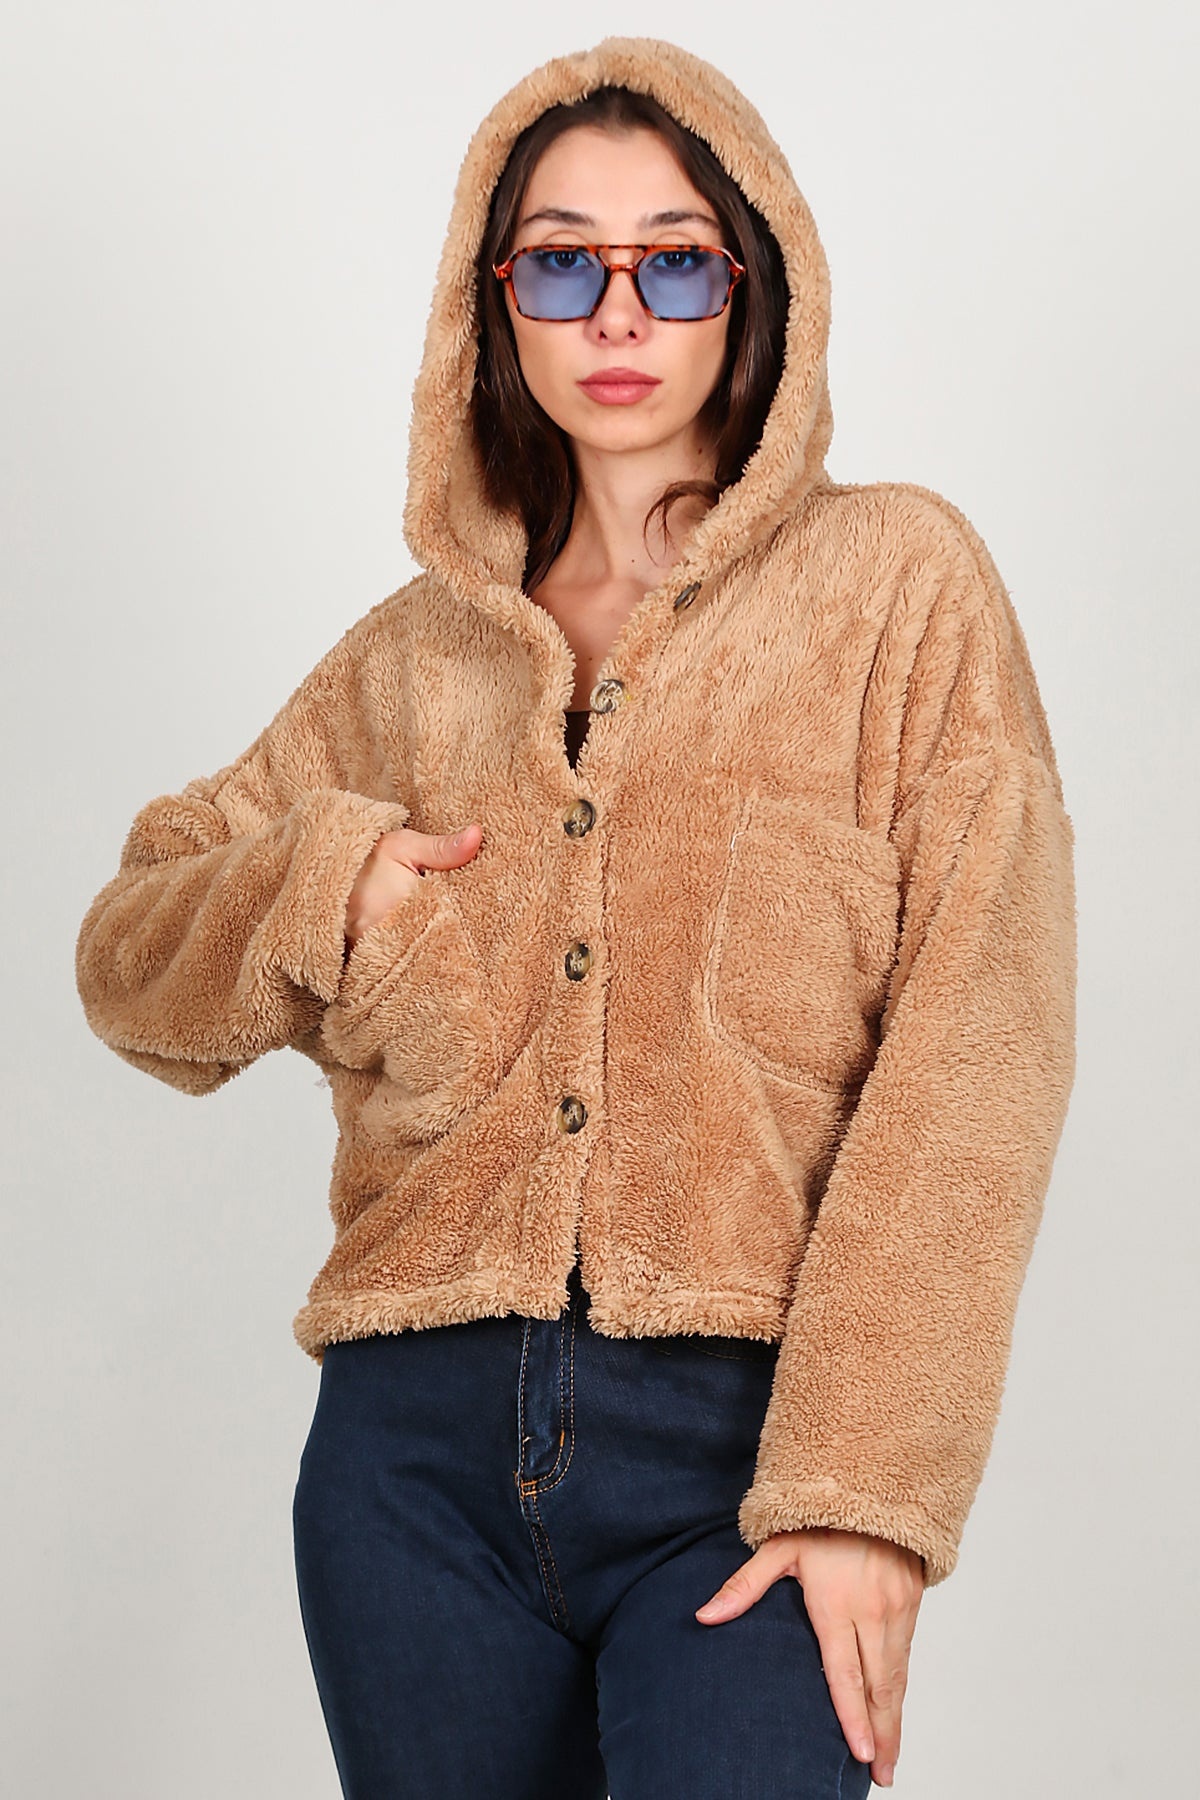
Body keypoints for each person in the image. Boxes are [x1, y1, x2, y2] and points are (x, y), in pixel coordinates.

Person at [74, 36, 1078, 1800]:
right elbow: (129, 955)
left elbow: (982, 1039)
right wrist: (323, 883)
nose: (619, 310)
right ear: (497, 304)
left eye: (674, 261)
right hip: (412, 1472)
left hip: (745, 1466)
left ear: (753, 292)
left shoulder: (899, 589)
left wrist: (866, 1487)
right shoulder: (411, 662)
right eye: (561, 263)